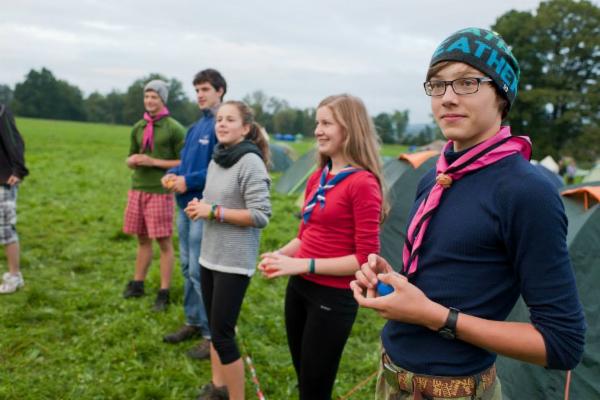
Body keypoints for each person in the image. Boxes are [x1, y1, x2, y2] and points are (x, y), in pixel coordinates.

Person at [351, 27, 586, 400]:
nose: (447, 98)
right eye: (437, 84)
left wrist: (434, 316)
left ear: (502, 95)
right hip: (392, 377)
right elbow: (452, 279)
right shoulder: (434, 176)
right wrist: (392, 281)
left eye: (466, 83)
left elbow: (562, 343)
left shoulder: (527, 191)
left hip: (457, 391)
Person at [259, 94, 385, 400]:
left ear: (349, 129)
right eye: (317, 123)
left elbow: (365, 259)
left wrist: (302, 264)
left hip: (332, 297)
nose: (318, 130)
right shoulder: (318, 176)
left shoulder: (363, 183)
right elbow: (305, 235)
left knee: (316, 386)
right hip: (299, 288)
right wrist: (281, 255)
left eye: (326, 123)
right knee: (304, 376)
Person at [185, 100, 271, 400]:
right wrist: (200, 206)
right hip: (209, 255)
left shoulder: (250, 162)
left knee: (222, 335)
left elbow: (260, 215)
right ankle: (218, 388)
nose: (221, 124)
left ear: (245, 128)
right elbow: (213, 203)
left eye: (229, 119)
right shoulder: (217, 158)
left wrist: (214, 212)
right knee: (214, 328)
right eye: (219, 119)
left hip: (234, 262)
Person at [161, 69, 227, 360]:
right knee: (188, 268)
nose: (200, 95)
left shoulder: (222, 126)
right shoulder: (194, 127)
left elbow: (220, 167)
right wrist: (172, 173)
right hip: (183, 207)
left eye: (205, 89)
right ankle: (193, 321)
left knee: (201, 273)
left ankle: (211, 336)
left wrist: (189, 181)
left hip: (204, 209)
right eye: (197, 90)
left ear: (220, 91)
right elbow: (185, 163)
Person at [122, 80, 185, 311]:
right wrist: (131, 161)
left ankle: (164, 291)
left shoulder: (174, 128)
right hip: (138, 188)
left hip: (160, 192)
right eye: (147, 96)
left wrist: (153, 162)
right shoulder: (138, 127)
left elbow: (183, 162)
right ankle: (138, 284)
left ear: (163, 100)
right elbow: (130, 156)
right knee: (142, 239)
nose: (149, 101)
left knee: (164, 243)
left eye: (154, 97)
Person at [0, 104, 29, 294]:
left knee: (5, 229)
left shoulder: (1, 111)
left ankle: (14, 276)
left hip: (4, 179)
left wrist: (18, 170)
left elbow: (16, 142)